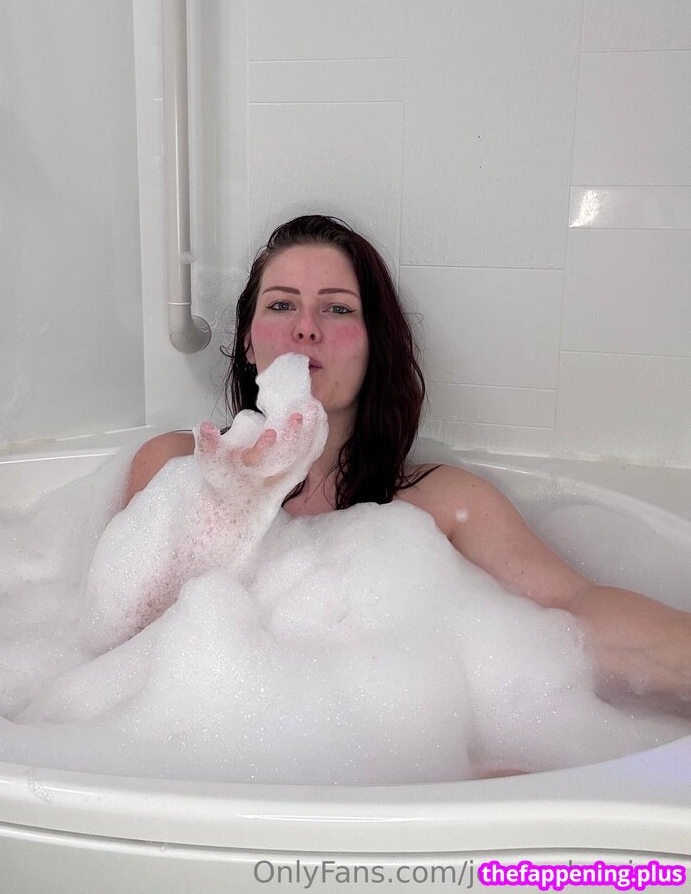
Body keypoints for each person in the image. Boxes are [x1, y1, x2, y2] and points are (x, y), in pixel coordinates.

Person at [126, 214, 691, 712]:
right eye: (281, 305)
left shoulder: (444, 504)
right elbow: (121, 643)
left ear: (374, 344)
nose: (306, 327)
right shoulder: (174, 468)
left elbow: (573, 608)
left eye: (337, 308)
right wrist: (224, 516)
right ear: (249, 342)